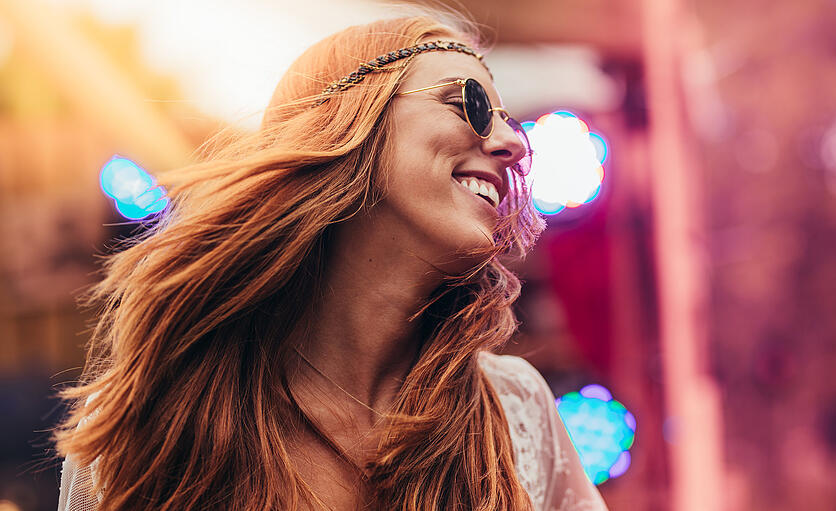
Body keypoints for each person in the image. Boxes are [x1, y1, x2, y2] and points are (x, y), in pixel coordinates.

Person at [55, 12, 608, 511]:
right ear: (351, 120)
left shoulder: (515, 411)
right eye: (474, 103)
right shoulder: (152, 422)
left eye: (511, 122)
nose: (513, 143)